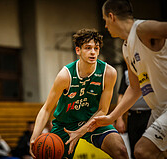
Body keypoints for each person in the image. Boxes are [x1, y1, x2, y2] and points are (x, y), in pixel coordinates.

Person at [29, 28, 129, 159]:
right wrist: (34, 137)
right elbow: (46, 109)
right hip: (65, 125)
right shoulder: (65, 76)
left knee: (121, 150)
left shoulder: (109, 73)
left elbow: (103, 110)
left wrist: (81, 132)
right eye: (88, 48)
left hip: (94, 122)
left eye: (96, 48)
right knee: (49, 154)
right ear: (78, 50)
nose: (93, 52)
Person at [87, 0, 167, 158]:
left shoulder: (143, 29)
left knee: (142, 151)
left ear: (111, 16)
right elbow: (135, 88)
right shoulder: (126, 47)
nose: (105, 26)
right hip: (158, 110)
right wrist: (111, 117)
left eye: (105, 21)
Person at [115, 65, 151, 159]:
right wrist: (119, 118)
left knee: (150, 149)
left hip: (150, 115)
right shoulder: (127, 74)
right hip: (133, 116)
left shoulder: (152, 72)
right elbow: (121, 96)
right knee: (134, 149)